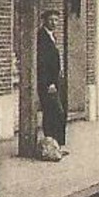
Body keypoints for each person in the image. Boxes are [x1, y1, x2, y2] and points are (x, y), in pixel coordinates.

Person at [37, 11, 68, 151]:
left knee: (56, 113)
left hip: (55, 81)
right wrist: (49, 83)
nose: (54, 23)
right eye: (51, 20)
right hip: (48, 83)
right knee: (54, 113)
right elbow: (42, 63)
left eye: (56, 20)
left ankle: (55, 145)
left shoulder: (51, 36)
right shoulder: (41, 37)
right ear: (44, 21)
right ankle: (51, 145)